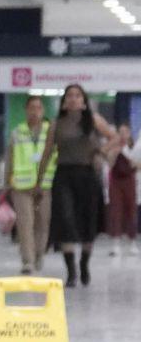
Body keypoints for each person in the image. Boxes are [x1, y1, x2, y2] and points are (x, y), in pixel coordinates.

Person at [37, 82, 117, 287]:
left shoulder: (94, 120)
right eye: (69, 96)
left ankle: (84, 263)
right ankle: (70, 270)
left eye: (78, 96)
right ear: (64, 102)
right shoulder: (56, 124)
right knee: (66, 219)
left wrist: (102, 152)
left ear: (83, 102)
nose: (73, 99)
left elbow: (114, 137)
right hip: (63, 174)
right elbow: (47, 152)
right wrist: (39, 180)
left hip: (87, 175)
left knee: (87, 221)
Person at [6, 95, 56, 274]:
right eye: (32, 108)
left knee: (43, 222)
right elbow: (9, 157)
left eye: (38, 108)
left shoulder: (49, 132)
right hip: (21, 185)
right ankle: (27, 260)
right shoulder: (17, 132)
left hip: (44, 185)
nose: (35, 111)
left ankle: (39, 254)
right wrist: (7, 182)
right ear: (26, 110)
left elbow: (55, 157)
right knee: (25, 223)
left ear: (43, 111)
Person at [110, 124, 139, 258]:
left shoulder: (134, 147)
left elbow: (137, 164)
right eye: (120, 132)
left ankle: (132, 243)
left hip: (130, 181)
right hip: (115, 182)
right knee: (116, 211)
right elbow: (109, 164)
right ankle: (116, 244)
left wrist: (128, 153)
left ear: (129, 133)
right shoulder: (113, 146)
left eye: (125, 132)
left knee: (131, 211)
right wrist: (115, 152)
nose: (122, 135)